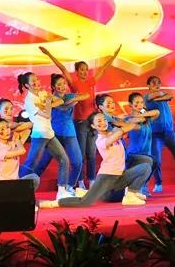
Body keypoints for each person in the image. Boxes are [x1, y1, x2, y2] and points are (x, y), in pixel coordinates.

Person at [39, 44, 122, 190]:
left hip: (93, 122)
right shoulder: (73, 83)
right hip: (80, 122)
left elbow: (103, 69)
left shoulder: (91, 82)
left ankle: (93, 181)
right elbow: (63, 69)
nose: (84, 72)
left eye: (86, 69)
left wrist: (114, 56)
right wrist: (49, 54)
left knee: (92, 154)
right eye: (81, 69)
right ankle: (81, 182)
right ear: (77, 72)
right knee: (81, 155)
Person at [41, 111, 150, 208]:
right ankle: (54, 203)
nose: (103, 122)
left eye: (104, 119)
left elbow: (130, 126)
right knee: (85, 202)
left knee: (145, 167)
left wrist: (126, 121)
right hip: (107, 177)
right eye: (99, 121)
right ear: (93, 126)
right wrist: (127, 122)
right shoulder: (100, 140)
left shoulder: (114, 131)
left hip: (120, 176)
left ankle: (131, 194)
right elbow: (122, 131)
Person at [16, 72, 72, 201]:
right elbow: (47, 115)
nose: (37, 82)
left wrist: (47, 103)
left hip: (49, 133)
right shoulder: (29, 100)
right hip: (40, 134)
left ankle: (62, 192)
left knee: (64, 160)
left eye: (37, 79)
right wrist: (48, 102)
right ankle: (17, 188)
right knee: (31, 164)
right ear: (27, 85)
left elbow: (60, 100)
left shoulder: (42, 93)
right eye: (33, 81)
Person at [145, 75, 175, 193]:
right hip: (155, 134)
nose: (156, 84)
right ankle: (158, 183)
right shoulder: (146, 97)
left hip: (169, 132)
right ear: (148, 86)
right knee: (156, 160)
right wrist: (161, 97)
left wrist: (160, 98)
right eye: (153, 82)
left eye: (158, 82)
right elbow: (162, 95)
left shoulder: (164, 95)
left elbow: (170, 96)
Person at [124, 92, 159, 193]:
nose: (139, 105)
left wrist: (142, 114)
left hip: (147, 153)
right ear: (130, 104)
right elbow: (129, 123)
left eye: (141, 102)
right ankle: (133, 189)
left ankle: (142, 187)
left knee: (153, 163)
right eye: (136, 102)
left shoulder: (147, 119)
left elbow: (157, 112)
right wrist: (138, 118)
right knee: (150, 162)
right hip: (134, 154)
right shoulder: (128, 119)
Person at [0, 118, 40, 190]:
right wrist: (17, 139)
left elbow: (29, 126)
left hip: (15, 182)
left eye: (7, 127)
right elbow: (22, 151)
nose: (6, 131)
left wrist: (17, 124)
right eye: (2, 129)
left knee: (35, 178)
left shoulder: (13, 143)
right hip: (2, 184)